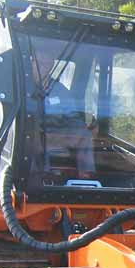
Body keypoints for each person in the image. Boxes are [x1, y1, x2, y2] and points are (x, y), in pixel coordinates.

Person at [30, 45, 96, 179]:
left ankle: (87, 177)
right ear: (30, 63)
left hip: (56, 131)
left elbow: (73, 116)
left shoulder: (60, 90)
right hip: (31, 131)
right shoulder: (21, 85)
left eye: (46, 63)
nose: (42, 67)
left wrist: (77, 129)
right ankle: (40, 177)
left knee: (84, 134)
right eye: (38, 63)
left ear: (51, 65)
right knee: (33, 138)